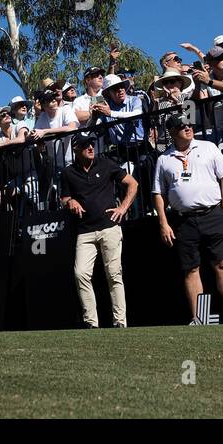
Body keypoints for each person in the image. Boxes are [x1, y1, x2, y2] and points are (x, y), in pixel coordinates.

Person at [153, 116, 223, 325]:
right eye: (182, 126)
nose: (188, 128)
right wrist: (163, 223)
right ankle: (200, 318)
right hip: (183, 220)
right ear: (172, 131)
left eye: (189, 125)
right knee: (192, 268)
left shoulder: (208, 147)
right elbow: (159, 193)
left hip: (214, 214)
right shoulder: (164, 159)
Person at [60, 131, 137, 328]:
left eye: (92, 144)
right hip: (84, 231)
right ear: (76, 149)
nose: (91, 147)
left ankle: (120, 322)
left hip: (109, 227)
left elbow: (132, 184)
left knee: (114, 275)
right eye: (86, 145)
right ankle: (91, 323)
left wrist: (123, 208)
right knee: (81, 274)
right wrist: (71, 202)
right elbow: (64, 198)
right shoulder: (68, 173)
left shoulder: (106, 164)